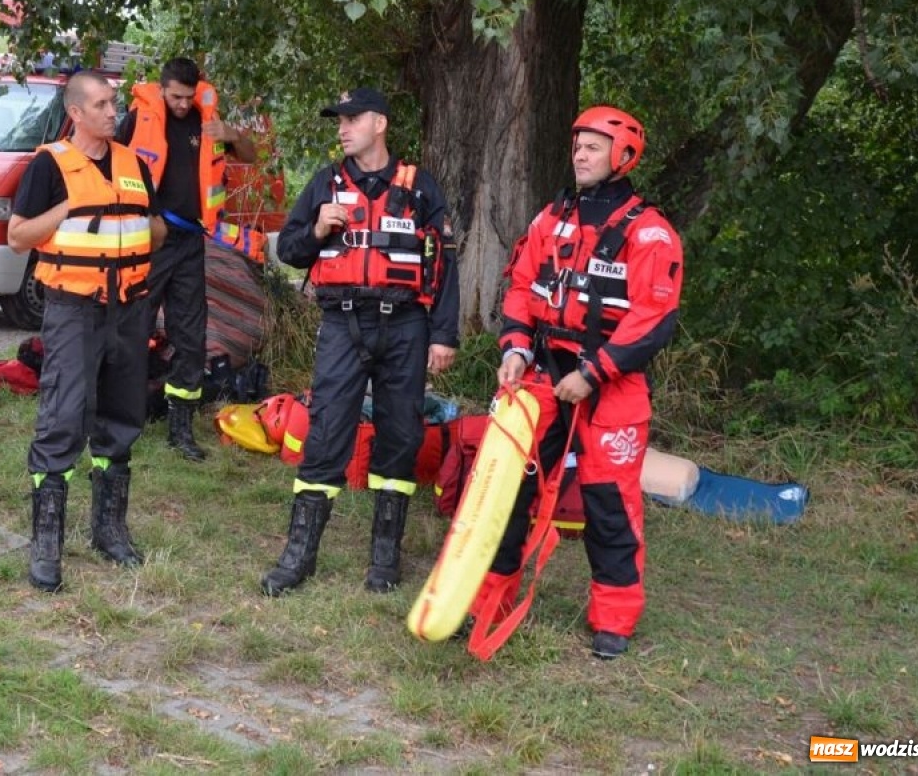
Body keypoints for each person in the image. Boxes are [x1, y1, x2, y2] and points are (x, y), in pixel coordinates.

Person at [479, 105, 683, 660]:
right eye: (577, 146)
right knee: (509, 489)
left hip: (610, 385)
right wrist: (516, 348)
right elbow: (521, 287)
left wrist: (592, 374)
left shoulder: (651, 235)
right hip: (544, 374)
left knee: (608, 505)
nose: (580, 155)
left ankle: (614, 619)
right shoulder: (551, 220)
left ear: (623, 155)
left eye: (593, 147)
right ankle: (487, 600)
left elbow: (652, 321)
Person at [261, 87, 459, 596]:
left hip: (405, 327)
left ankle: (384, 561)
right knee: (326, 432)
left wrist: (443, 334)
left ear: (380, 123)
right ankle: (298, 556)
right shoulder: (326, 183)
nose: (342, 128)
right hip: (343, 323)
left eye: (352, 119)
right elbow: (289, 249)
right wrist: (318, 230)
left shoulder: (418, 187)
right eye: (338, 120)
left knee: (400, 436)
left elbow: (443, 262)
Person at [7, 70, 166, 592]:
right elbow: (17, 237)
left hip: (129, 307)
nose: (111, 111)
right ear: (75, 113)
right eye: (100, 104)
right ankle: (46, 544)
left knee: (122, 416)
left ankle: (109, 530)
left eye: (113, 102)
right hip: (74, 308)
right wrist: (70, 209)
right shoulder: (49, 165)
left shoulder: (132, 165)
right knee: (63, 415)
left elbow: (154, 225)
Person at [117, 56, 256, 462]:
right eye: (175, 96)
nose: (181, 104)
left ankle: (181, 428)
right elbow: (113, 167)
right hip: (149, 240)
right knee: (134, 327)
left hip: (191, 241)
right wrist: (144, 219)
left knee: (191, 337)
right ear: (162, 89)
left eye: (187, 96)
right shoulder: (137, 119)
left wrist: (229, 132)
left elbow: (248, 154)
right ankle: (123, 419)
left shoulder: (206, 118)